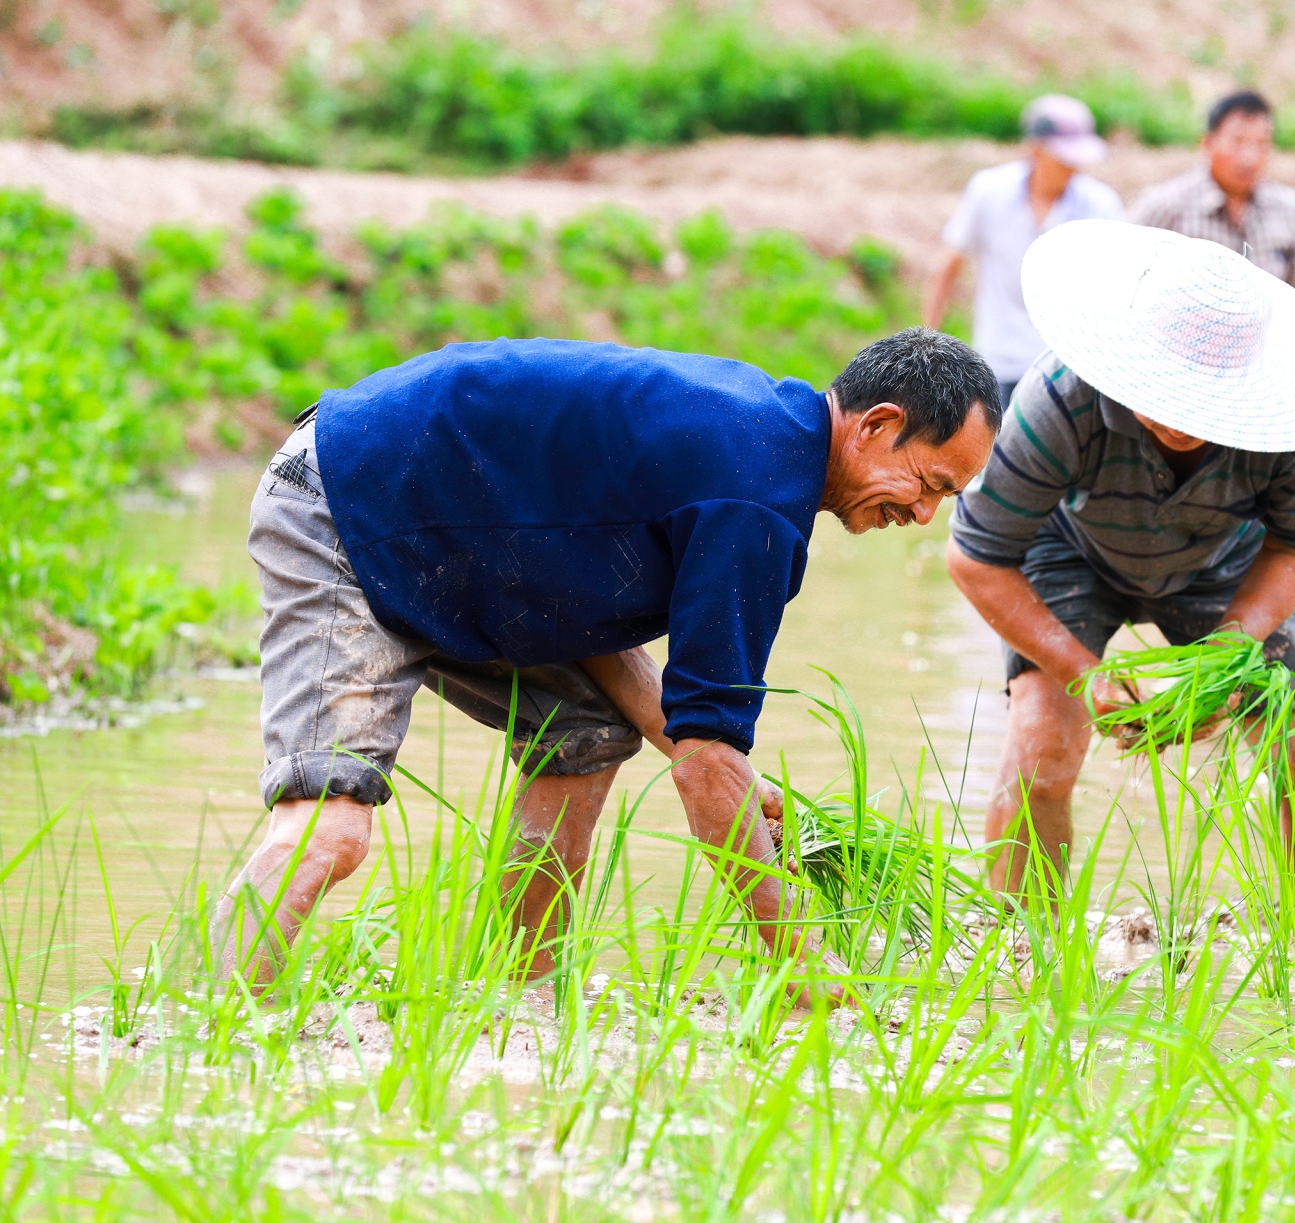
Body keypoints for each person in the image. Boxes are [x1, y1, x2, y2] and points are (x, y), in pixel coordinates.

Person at [222, 330, 1000, 999]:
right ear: (878, 425)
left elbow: (602, 638)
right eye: (929, 483)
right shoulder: (759, 496)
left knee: (586, 730)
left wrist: (732, 774)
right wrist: (797, 954)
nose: (924, 516)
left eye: (948, 498)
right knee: (332, 827)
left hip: (457, 537)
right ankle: (200, 1021)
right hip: (346, 501)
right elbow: (706, 759)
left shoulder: (764, 443)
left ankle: (519, 998)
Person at [946, 219, 1295, 928]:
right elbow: (976, 557)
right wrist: (1084, 673)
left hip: (1228, 561)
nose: (1183, 416)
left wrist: (1231, 649)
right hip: (1073, 550)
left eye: (1205, 398)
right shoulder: (1059, 398)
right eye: (1168, 391)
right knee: (1041, 747)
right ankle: (1018, 953)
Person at [924, 94, 1125, 410]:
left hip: (1069, 368)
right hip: (999, 359)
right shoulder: (989, 192)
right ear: (1035, 148)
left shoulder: (1100, 205)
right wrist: (927, 343)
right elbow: (950, 264)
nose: (1071, 167)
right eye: (1063, 158)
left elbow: (1119, 285)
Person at [1129, 89, 1295, 301]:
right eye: (1238, 142)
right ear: (1208, 144)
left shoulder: (1288, 209)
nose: (1250, 157)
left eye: (1261, 143)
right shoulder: (1166, 206)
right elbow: (1125, 276)